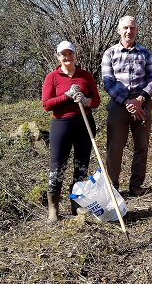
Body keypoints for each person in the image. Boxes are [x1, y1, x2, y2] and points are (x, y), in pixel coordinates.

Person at [41, 41, 101, 223]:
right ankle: (54, 208)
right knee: (57, 167)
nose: (67, 57)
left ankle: (77, 204)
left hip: (84, 123)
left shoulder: (85, 76)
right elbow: (46, 104)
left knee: (81, 165)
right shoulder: (52, 77)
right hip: (61, 124)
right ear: (58, 57)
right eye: (63, 55)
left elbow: (96, 100)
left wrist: (85, 100)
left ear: (75, 55)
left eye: (70, 54)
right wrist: (66, 96)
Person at [101, 16, 152, 196]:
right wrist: (127, 102)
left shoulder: (145, 53)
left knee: (142, 145)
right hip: (119, 103)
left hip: (142, 102)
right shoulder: (110, 53)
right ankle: (113, 187)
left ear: (136, 30)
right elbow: (108, 82)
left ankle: (136, 185)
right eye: (125, 28)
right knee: (115, 147)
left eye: (132, 28)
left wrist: (140, 99)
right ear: (119, 30)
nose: (129, 31)